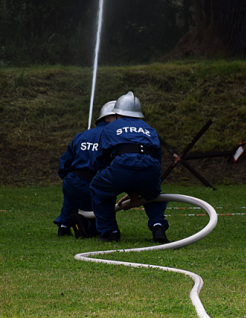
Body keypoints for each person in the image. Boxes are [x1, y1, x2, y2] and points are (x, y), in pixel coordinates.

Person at [89, 91, 169, 243]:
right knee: (153, 195)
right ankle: (158, 226)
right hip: (150, 169)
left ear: (117, 113)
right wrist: (137, 190)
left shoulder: (110, 128)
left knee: (99, 188)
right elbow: (157, 159)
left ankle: (109, 232)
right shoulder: (150, 129)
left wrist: (117, 182)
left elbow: (101, 159)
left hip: (121, 166)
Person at [54, 101, 117, 238]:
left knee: (72, 190)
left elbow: (64, 163)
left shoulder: (81, 136)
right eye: (119, 117)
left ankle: (63, 226)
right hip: (98, 186)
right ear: (107, 118)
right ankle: (101, 229)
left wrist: (68, 180)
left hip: (74, 183)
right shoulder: (115, 137)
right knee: (102, 203)